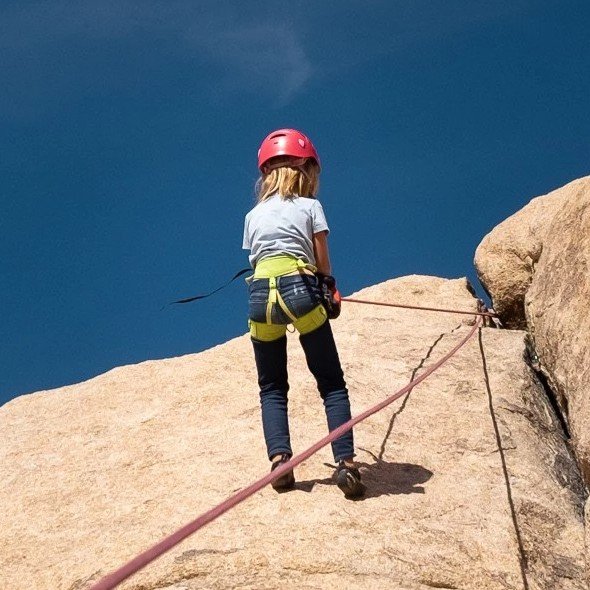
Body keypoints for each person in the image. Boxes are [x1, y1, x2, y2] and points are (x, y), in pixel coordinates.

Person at [242, 128, 365, 498]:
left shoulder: (252, 215)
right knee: (331, 383)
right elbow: (319, 255)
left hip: (261, 296)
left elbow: (256, 257)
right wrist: (329, 286)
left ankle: (280, 463)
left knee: (272, 387)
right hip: (300, 288)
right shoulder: (310, 207)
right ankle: (345, 465)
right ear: (304, 170)